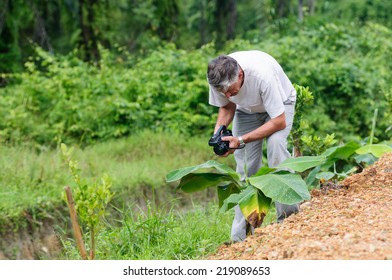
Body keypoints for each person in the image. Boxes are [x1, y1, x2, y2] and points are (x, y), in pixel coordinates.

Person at [207, 50, 299, 242]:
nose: (228, 95)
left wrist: (240, 140)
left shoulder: (262, 76)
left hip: (280, 106)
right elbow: (227, 106)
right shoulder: (218, 78)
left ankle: (290, 220)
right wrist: (220, 134)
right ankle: (241, 237)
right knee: (246, 167)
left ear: (240, 75)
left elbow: (279, 121)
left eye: (232, 91)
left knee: (276, 150)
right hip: (247, 111)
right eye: (224, 92)